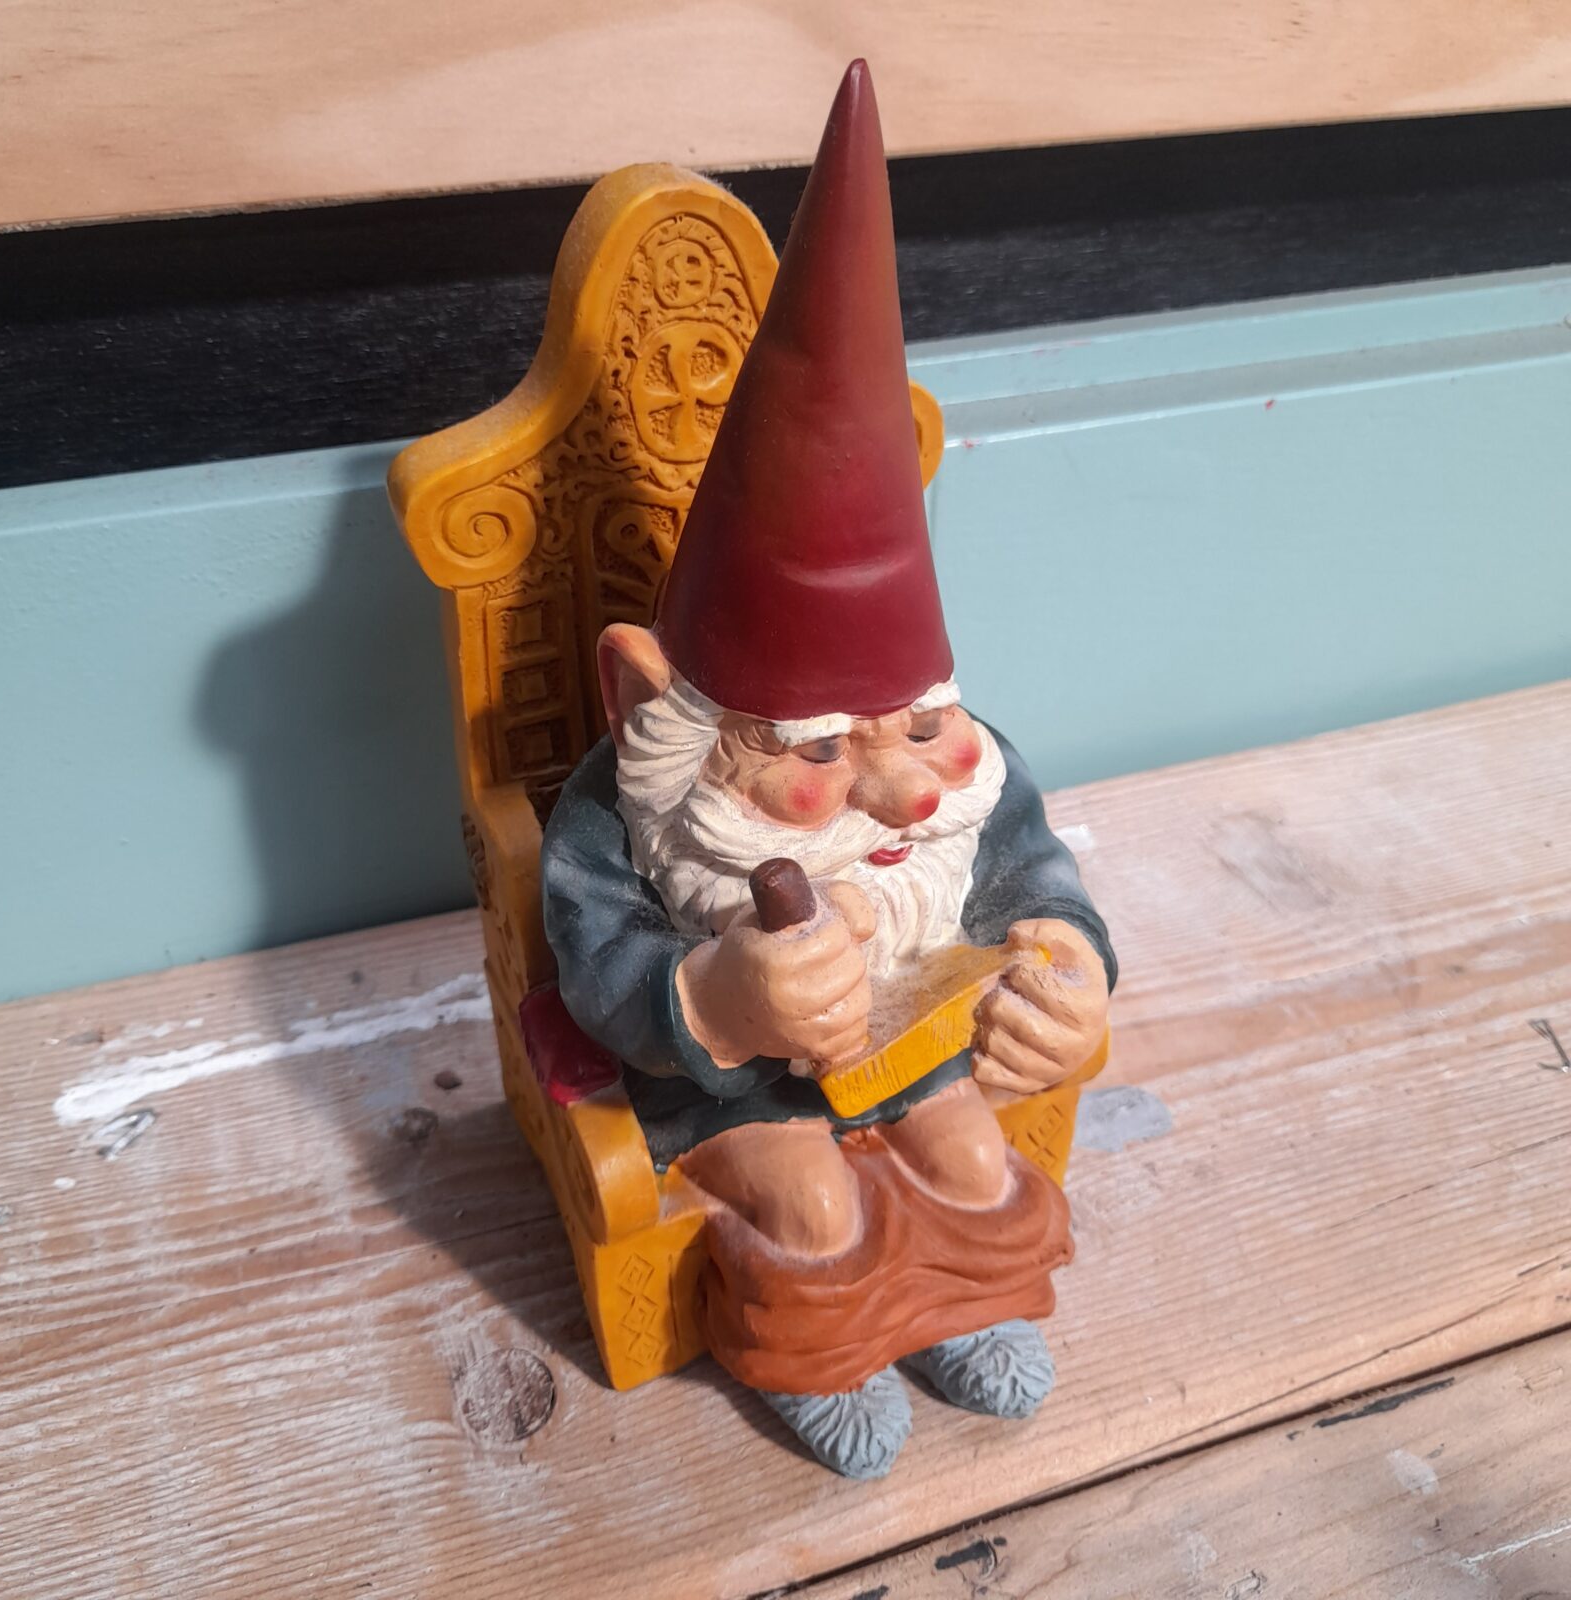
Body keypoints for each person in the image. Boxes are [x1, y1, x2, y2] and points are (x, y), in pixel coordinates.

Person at [542, 60, 1114, 1477]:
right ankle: (825, 1348)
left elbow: (1032, 875)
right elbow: (596, 966)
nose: (910, 796)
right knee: (808, 1202)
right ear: (660, 714)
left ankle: (961, 1302)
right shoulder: (626, 815)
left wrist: (1067, 969)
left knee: (976, 1160)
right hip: (728, 1094)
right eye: (814, 753)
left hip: (918, 1057)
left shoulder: (965, 782)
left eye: (918, 730)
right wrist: (718, 1000)